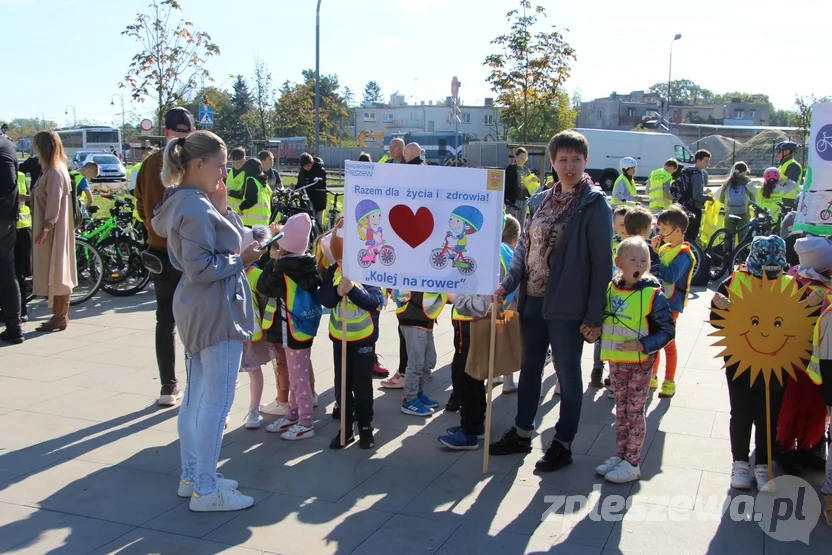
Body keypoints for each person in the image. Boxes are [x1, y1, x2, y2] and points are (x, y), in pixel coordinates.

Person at [490, 130, 613, 472]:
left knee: (568, 373)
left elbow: (602, 262)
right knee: (530, 369)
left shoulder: (594, 204)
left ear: (586, 162)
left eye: (576, 160)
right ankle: (522, 431)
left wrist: (594, 315)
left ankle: (563, 442)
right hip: (533, 301)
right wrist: (508, 283)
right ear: (553, 162)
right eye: (563, 160)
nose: (569, 166)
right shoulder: (539, 201)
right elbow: (523, 251)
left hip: (568, 307)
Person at [151, 129, 260, 512]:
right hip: (215, 308)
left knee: (197, 398)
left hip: (200, 306)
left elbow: (207, 250)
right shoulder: (194, 206)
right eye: (220, 166)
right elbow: (202, 266)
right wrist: (243, 260)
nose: (224, 174)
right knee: (216, 402)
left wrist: (222, 204)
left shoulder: (187, 200)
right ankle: (206, 488)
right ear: (199, 164)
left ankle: (193, 476)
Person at [710, 235, 789, 491]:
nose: (767, 280)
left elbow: (800, 324)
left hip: (777, 362)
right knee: (741, 411)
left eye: (773, 275)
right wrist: (718, 306)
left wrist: (810, 306)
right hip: (740, 360)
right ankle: (740, 463)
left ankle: (764, 465)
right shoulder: (735, 281)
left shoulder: (790, 285)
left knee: (769, 413)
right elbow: (716, 322)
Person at [596, 237, 675, 483]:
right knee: (621, 411)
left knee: (634, 411)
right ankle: (620, 455)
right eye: (633, 259)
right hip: (616, 363)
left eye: (644, 260)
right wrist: (592, 331)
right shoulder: (610, 288)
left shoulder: (654, 295)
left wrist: (642, 345)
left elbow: (667, 331)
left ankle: (632, 462)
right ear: (619, 262)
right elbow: (603, 320)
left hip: (640, 364)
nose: (639, 264)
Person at [439, 215, 519, 449]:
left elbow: (480, 298)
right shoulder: (495, 252)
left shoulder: (488, 256)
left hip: (472, 321)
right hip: (472, 321)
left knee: (469, 376)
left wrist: (452, 295)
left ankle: (470, 431)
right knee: (471, 376)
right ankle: (475, 425)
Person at [135, 107, 196, 407]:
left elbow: (139, 206)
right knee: (195, 322)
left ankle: (167, 386)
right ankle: (196, 385)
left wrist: (152, 228)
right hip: (188, 253)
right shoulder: (191, 162)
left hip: (158, 251)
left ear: (166, 130)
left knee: (165, 321)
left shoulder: (148, 163)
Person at [318, 219, 384, 449]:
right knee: (342, 385)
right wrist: (337, 291)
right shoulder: (334, 270)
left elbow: (375, 302)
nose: (340, 264)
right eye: (337, 259)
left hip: (364, 340)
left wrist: (353, 289)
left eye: (344, 259)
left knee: (362, 386)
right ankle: (345, 429)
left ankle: (366, 428)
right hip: (340, 338)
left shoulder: (371, 269)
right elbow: (324, 298)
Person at [258, 213, 322, 440]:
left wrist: (271, 261)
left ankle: (305, 422)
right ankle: (292, 414)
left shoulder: (283, 269)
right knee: (298, 373)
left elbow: (263, 286)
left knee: (298, 378)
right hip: (304, 325)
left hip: (291, 328)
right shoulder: (307, 265)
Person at [380, 142, 426, 390]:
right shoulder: (428, 174)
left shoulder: (405, 176)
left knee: (405, 322)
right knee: (422, 324)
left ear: (407, 155)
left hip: (405, 262)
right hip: (421, 261)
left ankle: (406, 372)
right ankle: (421, 369)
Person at [31, 131, 77, 333]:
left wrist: (46, 227)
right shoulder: (54, 170)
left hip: (54, 229)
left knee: (57, 269)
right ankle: (59, 315)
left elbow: (53, 202)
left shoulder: (55, 172)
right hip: (53, 227)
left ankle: (60, 316)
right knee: (57, 268)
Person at [649, 205, 695, 398]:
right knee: (654, 339)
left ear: (677, 230)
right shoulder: (666, 247)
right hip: (658, 300)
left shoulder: (684, 254)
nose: (661, 234)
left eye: (664, 230)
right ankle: (652, 375)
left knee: (668, 343)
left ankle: (669, 380)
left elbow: (671, 276)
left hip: (671, 304)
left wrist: (654, 258)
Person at [393, 286, 447, 416]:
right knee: (416, 364)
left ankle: (417, 393)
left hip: (424, 320)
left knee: (428, 361)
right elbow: (400, 294)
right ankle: (410, 400)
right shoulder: (415, 269)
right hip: (413, 319)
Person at [240, 224, 274, 430]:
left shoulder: (251, 274)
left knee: (250, 371)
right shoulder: (251, 273)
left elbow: (263, 302)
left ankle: (252, 409)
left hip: (244, 333)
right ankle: (233, 411)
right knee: (246, 373)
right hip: (241, 332)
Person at [0, 131, 23, 343]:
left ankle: (14, 328)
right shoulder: (7, 145)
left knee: (7, 275)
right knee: (7, 274)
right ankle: (14, 328)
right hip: (7, 217)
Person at [679, 149, 712, 243]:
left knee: (683, 235)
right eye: (706, 161)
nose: (707, 164)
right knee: (691, 237)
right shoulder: (698, 174)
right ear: (698, 161)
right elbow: (697, 196)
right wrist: (708, 197)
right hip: (694, 209)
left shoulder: (687, 171)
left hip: (683, 207)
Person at [229, 158, 271, 227]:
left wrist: (241, 207)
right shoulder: (264, 183)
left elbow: (252, 199)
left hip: (251, 221)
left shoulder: (251, 180)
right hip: (264, 220)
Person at [717, 162, 757, 236]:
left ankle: (727, 247)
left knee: (728, 236)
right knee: (743, 235)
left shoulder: (728, 182)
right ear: (745, 172)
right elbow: (753, 200)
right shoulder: (747, 182)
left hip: (729, 212)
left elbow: (721, 199)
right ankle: (742, 248)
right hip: (743, 213)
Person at [14, 170, 33, 324]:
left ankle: (20, 311)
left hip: (17, 229)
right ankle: (21, 311)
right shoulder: (20, 175)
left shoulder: (20, 175)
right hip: (24, 229)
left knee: (17, 274)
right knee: (19, 274)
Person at [504, 148, 536, 232]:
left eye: (525, 158)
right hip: (513, 200)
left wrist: (533, 180)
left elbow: (528, 184)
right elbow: (507, 186)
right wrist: (510, 204)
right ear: (516, 156)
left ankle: (519, 241)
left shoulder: (526, 170)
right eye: (521, 158)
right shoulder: (510, 168)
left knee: (521, 223)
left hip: (524, 198)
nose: (523, 160)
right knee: (511, 223)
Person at [296, 152, 327, 228]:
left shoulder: (320, 170)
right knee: (306, 223)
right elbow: (300, 184)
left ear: (312, 162)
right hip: (306, 202)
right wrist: (296, 188)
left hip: (318, 201)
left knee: (318, 223)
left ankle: (318, 236)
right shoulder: (302, 172)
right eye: (304, 167)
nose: (306, 168)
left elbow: (323, 183)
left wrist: (318, 180)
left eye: (308, 166)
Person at [776, 141, 803, 209]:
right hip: (782, 197)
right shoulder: (782, 166)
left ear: (787, 152)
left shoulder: (793, 166)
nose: (777, 154)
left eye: (779, 151)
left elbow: (791, 182)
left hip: (790, 200)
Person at [225, 147, 247, 213]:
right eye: (233, 162)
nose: (236, 165)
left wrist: (229, 192)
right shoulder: (230, 172)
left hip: (243, 212)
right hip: (229, 211)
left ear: (244, 159)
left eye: (238, 162)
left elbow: (245, 194)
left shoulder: (248, 173)